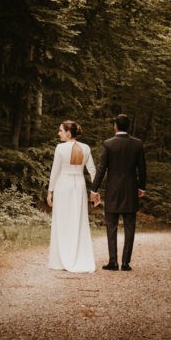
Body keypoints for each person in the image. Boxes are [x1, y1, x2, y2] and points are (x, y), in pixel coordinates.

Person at [90, 114, 147, 271]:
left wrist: (94, 189)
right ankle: (126, 263)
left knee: (111, 226)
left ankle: (113, 262)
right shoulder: (137, 144)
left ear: (115, 125)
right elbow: (142, 168)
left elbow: (101, 169)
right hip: (130, 190)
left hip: (113, 190)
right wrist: (141, 187)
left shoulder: (109, 144)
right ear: (128, 126)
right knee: (130, 226)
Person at [47, 120, 97, 272]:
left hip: (63, 185)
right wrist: (95, 191)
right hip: (79, 185)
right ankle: (78, 255)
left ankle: (60, 260)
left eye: (61, 130)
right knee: (78, 219)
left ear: (68, 133)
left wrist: (50, 191)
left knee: (62, 220)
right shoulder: (86, 148)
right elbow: (93, 171)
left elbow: (55, 171)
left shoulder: (60, 148)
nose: (59, 133)